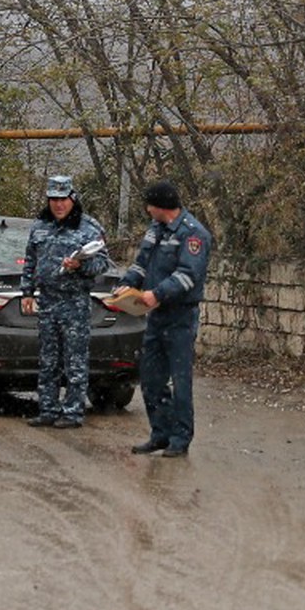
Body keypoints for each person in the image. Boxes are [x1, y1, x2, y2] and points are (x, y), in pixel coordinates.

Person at [120, 180, 212, 457]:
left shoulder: (193, 234)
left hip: (180, 316)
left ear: (160, 206)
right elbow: (142, 262)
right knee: (151, 378)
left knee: (180, 380)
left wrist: (157, 294)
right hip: (155, 316)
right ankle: (160, 433)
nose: (147, 210)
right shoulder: (156, 230)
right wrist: (128, 284)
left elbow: (187, 275)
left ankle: (180, 439)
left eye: (149, 205)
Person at [20, 175, 110, 428]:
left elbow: (102, 263)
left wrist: (81, 265)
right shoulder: (39, 226)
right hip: (47, 301)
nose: (58, 205)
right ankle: (47, 408)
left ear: (72, 199)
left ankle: (72, 412)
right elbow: (30, 261)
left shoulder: (89, 228)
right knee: (48, 359)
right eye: (53, 200)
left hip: (74, 302)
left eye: (63, 199)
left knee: (75, 360)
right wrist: (27, 291)